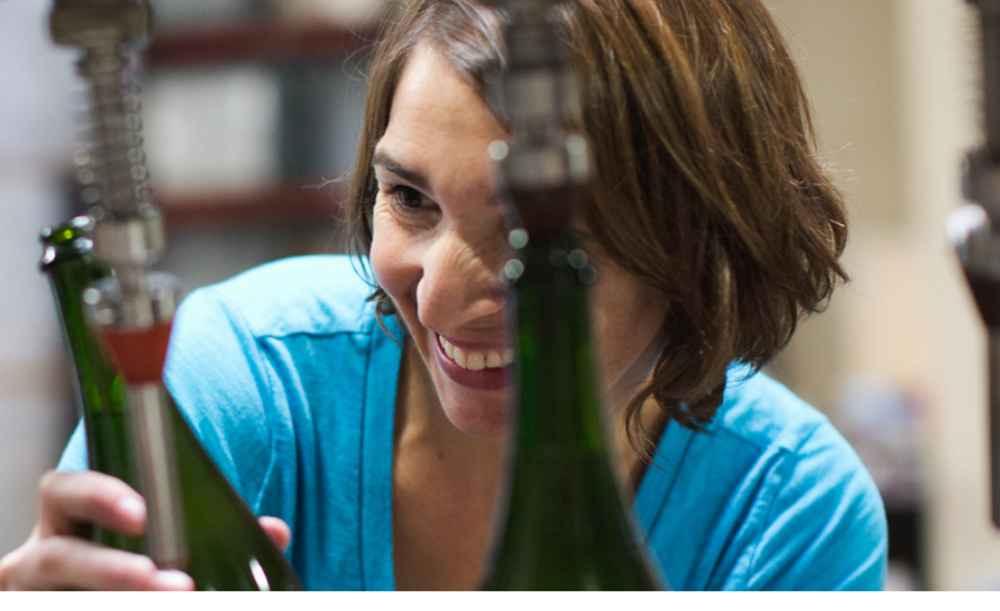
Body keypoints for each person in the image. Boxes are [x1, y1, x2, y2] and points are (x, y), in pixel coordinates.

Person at [0, 0, 887, 591]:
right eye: (410, 199)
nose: (437, 298)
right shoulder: (237, 382)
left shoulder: (785, 511)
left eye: (534, 237)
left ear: (696, 236)